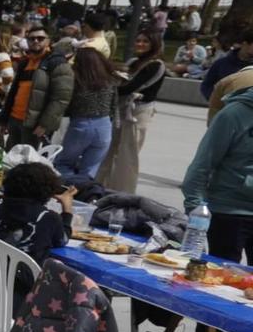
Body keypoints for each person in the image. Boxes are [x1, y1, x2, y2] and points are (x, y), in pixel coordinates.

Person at [182, 83, 253, 263]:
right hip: (230, 211)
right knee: (220, 282)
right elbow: (202, 164)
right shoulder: (234, 114)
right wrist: (195, 209)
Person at [99, 29, 166, 193]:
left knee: (128, 155)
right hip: (121, 111)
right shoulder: (134, 62)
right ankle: (101, 185)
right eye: (138, 40)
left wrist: (111, 82)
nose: (140, 44)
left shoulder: (156, 65)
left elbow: (130, 87)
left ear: (154, 44)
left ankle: (123, 192)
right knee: (109, 150)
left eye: (145, 41)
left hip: (137, 113)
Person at [0, 161, 73, 263]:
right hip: (24, 275)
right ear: (48, 191)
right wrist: (67, 209)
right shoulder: (49, 218)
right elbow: (62, 240)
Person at [53, 40, 116, 187]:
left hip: (81, 124)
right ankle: (83, 192)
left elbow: (66, 106)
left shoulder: (77, 81)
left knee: (64, 163)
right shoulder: (109, 81)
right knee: (89, 169)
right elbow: (113, 106)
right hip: (105, 126)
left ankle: (67, 190)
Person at [3, 24, 73, 147]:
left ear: (48, 41)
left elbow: (61, 98)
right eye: (32, 38)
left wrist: (45, 124)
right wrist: (3, 119)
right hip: (14, 120)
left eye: (40, 38)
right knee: (10, 159)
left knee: (30, 164)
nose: (36, 41)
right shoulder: (24, 62)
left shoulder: (57, 62)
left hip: (35, 125)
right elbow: (13, 91)